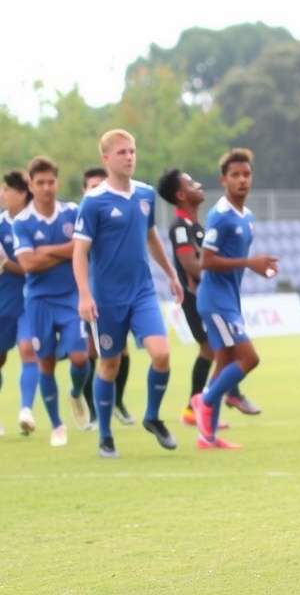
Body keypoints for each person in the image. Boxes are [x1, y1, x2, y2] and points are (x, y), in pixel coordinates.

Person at [73, 129, 183, 458]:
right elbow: (79, 252)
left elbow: (150, 237)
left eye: (132, 151)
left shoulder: (146, 195)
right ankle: (105, 435)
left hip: (142, 293)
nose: (130, 157)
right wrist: (84, 295)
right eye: (122, 152)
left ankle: (152, 416)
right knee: (109, 365)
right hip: (107, 299)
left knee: (161, 355)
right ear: (106, 158)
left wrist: (171, 273)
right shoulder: (93, 202)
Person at [156, 168, 261, 428]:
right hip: (199, 299)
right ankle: (206, 403)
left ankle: (207, 412)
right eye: (191, 183)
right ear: (181, 195)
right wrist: (219, 276)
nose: (198, 185)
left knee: (220, 352)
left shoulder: (197, 226)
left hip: (213, 294)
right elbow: (192, 265)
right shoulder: (180, 228)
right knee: (218, 351)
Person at [191, 148, 278, 450]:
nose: (242, 180)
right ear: (223, 180)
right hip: (215, 299)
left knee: (226, 360)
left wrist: (259, 268)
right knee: (249, 358)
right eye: (235, 175)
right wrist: (249, 263)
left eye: (246, 174)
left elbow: (237, 260)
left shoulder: (247, 217)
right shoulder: (220, 216)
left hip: (229, 297)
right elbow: (206, 261)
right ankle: (206, 399)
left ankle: (207, 437)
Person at [13, 157, 92, 445]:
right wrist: (65, 251)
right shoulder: (22, 222)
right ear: (31, 186)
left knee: (80, 357)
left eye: (51, 182)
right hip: (39, 301)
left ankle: (75, 392)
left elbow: (82, 247)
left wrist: (47, 250)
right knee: (45, 362)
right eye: (40, 183)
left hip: (71, 296)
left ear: (57, 183)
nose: (47, 188)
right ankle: (58, 426)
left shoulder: (72, 211)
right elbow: (28, 265)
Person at [79, 167, 134, 428]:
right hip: (86, 295)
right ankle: (92, 410)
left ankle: (118, 403)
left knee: (121, 350)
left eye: (100, 184)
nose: (97, 189)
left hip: (114, 295)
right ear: (84, 190)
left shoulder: (114, 218)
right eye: (92, 186)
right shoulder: (85, 216)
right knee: (91, 351)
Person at [0, 172, 39, 437]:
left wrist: (5, 263)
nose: (2, 194)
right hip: (4, 299)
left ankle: (26, 410)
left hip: (30, 299)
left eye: (6, 190)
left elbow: (31, 267)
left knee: (28, 350)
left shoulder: (33, 222)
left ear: (22, 193)